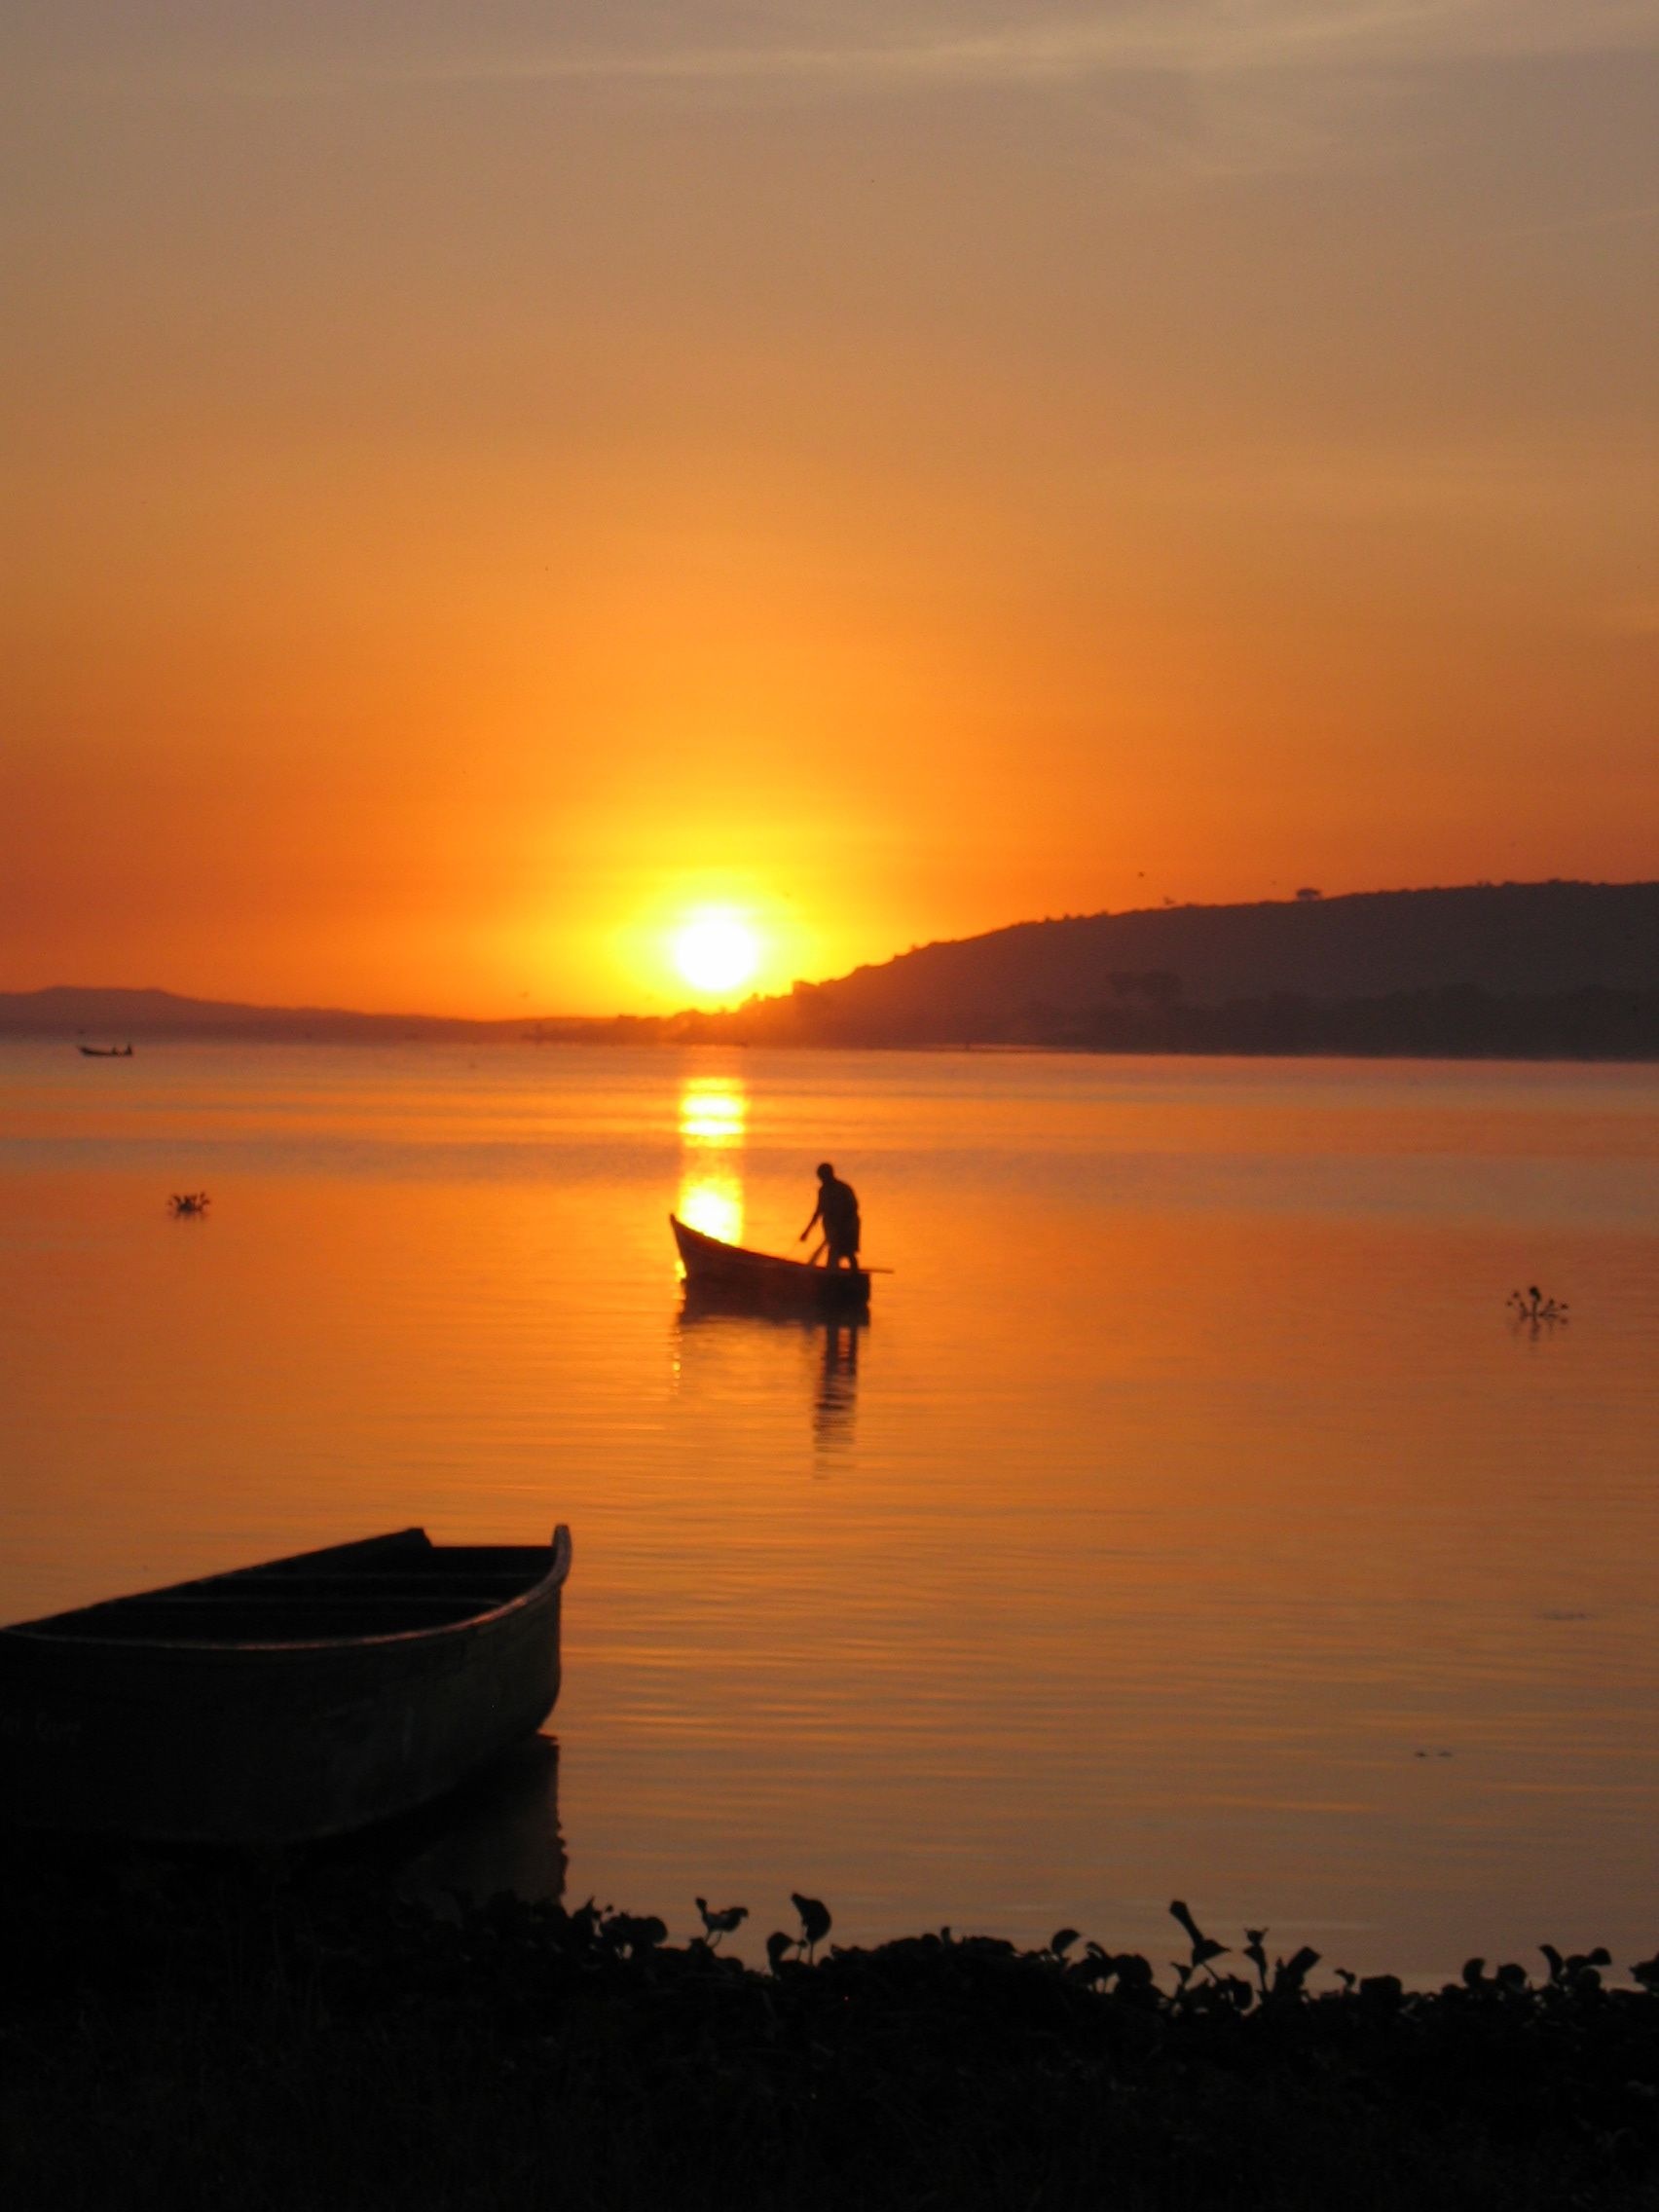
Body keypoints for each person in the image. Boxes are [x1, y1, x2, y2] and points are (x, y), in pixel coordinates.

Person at [799, 1161, 861, 1270]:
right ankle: (833, 1275)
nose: (822, 1179)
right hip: (832, 1227)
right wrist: (806, 1232)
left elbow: (854, 1206)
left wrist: (843, 1223)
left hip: (848, 1226)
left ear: (829, 1174)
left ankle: (853, 1276)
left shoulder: (843, 1188)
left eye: (823, 1176)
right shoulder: (823, 1191)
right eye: (820, 1177)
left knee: (848, 1252)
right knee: (834, 1252)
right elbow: (818, 1211)